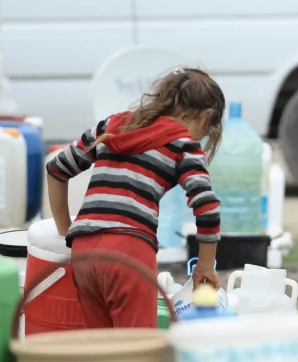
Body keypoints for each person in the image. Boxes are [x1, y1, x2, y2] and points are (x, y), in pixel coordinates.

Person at [46, 68, 225, 329]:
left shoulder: (111, 126)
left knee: (100, 346)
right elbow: (207, 207)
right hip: (129, 251)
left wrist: (66, 229)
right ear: (206, 115)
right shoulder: (183, 144)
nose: (201, 138)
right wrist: (205, 267)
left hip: (83, 252)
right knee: (139, 347)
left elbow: (56, 169)